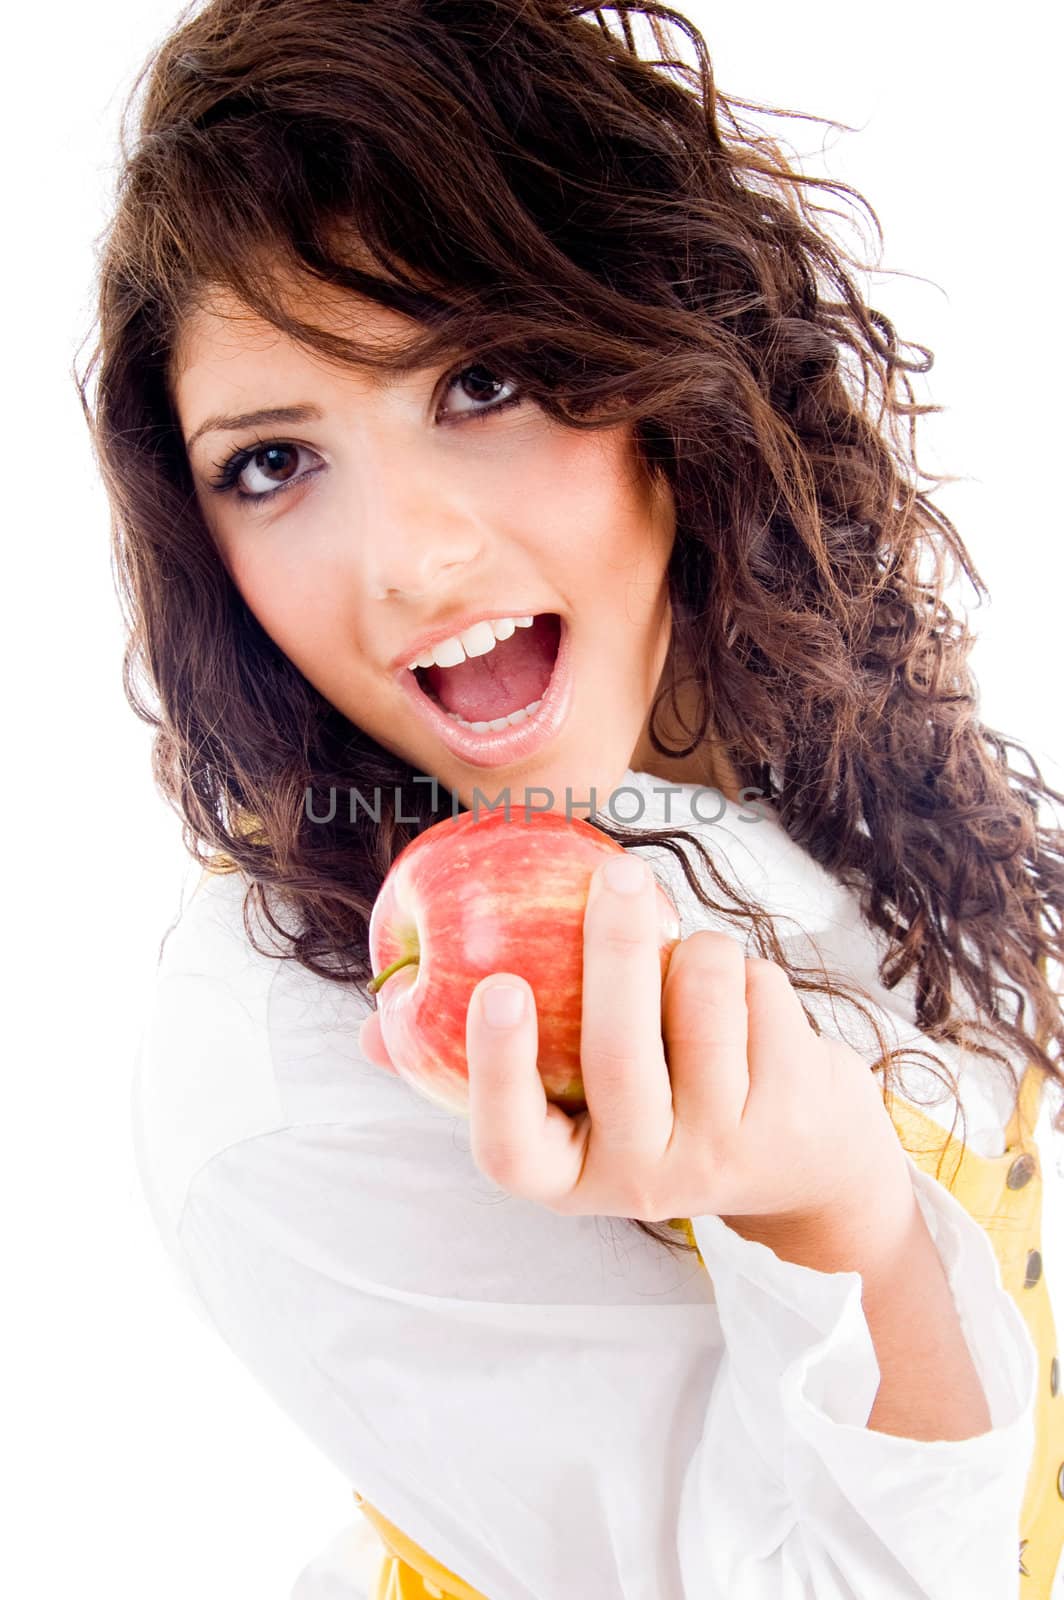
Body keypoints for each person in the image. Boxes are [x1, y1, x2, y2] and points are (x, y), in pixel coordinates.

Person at [78, 1, 1064, 1594]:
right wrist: (840, 1221)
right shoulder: (285, 1050)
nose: (411, 560)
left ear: (665, 336)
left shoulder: (785, 712)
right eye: (273, 462)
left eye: (485, 379)